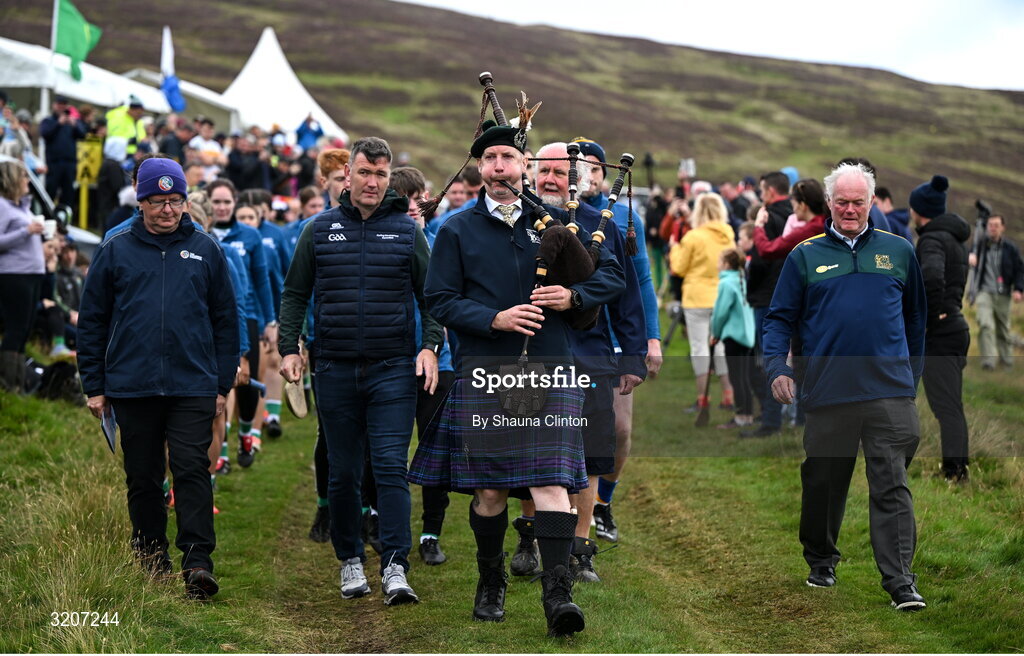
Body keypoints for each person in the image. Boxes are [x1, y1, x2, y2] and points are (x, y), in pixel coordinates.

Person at [407, 118, 624, 635]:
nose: (500, 166)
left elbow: (610, 273)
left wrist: (574, 296)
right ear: (480, 168)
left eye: (509, 157)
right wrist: (494, 318)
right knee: (491, 495)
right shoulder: (458, 228)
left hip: (549, 369)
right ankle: (490, 581)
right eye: (491, 159)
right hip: (488, 372)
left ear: (524, 166)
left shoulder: (556, 223)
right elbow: (437, 299)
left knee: (553, 487)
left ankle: (558, 598)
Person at [278, 137, 442, 607]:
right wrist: (290, 348)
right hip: (333, 368)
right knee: (344, 472)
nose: (372, 182)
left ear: (391, 178)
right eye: (364, 173)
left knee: (391, 467)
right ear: (346, 175)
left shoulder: (408, 232)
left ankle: (395, 565)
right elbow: (294, 294)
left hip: (393, 368)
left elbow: (431, 298)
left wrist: (430, 346)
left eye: (381, 174)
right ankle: (350, 559)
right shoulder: (318, 229)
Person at [763, 162, 927, 611]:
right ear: (829, 204)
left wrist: (910, 376)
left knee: (891, 483)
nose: (850, 210)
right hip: (828, 392)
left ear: (872, 202)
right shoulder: (805, 255)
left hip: (889, 393)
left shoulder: (898, 251)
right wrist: (778, 367)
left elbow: (916, 318)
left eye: (858, 202)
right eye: (842, 202)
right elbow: (779, 319)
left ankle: (900, 581)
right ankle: (821, 558)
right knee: (824, 483)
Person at [77, 158, 239, 599]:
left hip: (193, 383)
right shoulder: (116, 248)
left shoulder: (206, 249)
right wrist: (94, 385)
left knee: (191, 467)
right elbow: (92, 320)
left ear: (185, 201)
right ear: (141, 202)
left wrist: (222, 384)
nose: (167, 210)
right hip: (132, 384)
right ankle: (151, 557)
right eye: (157, 201)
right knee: (143, 476)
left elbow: (226, 320)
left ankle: (197, 562)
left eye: (175, 201)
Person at [525, 140, 645, 582]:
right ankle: (532, 540)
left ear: (579, 177)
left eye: (564, 172)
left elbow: (626, 291)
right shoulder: (518, 224)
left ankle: (578, 549)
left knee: (591, 456)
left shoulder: (601, 223)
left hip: (591, 356)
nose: (554, 179)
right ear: (532, 173)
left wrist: (632, 356)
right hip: (532, 355)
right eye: (547, 171)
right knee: (533, 449)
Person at [572, 137, 662, 544]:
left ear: (604, 175)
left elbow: (640, 281)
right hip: (572, 342)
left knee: (620, 431)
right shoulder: (555, 212)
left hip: (615, 339)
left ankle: (603, 503)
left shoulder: (626, 219)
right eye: (578, 166)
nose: (584, 173)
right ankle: (566, 518)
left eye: (593, 167)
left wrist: (650, 340)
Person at [388, 165, 456, 565]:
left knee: (435, 449)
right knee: (388, 450)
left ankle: (431, 531)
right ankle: (383, 519)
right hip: (393, 359)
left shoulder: (444, 240)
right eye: (406, 199)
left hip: (440, 361)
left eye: (420, 197)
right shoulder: (386, 241)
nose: (415, 206)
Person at [908, 175, 972, 483]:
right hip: (956, 327)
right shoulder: (955, 239)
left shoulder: (932, 239)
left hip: (942, 334)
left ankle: (954, 473)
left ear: (920, 210)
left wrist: (927, 323)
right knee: (951, 407)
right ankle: (958, 469)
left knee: (946, 409)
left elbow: (932, 279)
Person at [669, 193, 736, 412]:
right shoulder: (728, 234)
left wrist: (674, 248)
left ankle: (702, 399)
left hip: (697, 297)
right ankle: (728, 395)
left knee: (700, 348)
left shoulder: (693, 237)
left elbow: (678, 268)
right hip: (722, 296)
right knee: (721, 348)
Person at [0, 159, 44, 391]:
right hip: (14, 274)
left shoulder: (22, 206)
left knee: (25, 327)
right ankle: (9, 384)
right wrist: (26, 231)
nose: (27, 181)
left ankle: (19, 381)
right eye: (23, 177)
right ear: (11, 180)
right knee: (16, 328)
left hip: (31, 274)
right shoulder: (2, 206)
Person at [968, 213, 1024, 370]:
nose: (992, 228)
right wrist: (970, 256)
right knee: (985, 324)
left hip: (1003, 293)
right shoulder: (980, 245)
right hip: (984, 292)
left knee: (1003, 329)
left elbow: (1020, 270)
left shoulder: (1010, 248)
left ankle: (1007, 363)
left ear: (1002, 228)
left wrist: (1019, 289)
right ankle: (988, 362)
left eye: (996, 225)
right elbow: (967, 255)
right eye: (990, 225)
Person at [710, 248, 756, 428]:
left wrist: (716, 333)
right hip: (747, 335)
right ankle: (748, 415)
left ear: (726, 264)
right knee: (744, 377)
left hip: (733, 337)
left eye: (720, 261)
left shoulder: (726, 284)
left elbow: (720, 313)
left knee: (736, 378)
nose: (717, 264)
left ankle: (740, 417)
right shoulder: (742, 279)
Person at [39, 96, 87, 209]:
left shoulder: (71, 122)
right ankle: (47, 216)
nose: (61, 107)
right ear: (54, 105)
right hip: (54, 163)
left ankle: (64, 217)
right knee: (50, 192)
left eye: (64, 104)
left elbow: (83, 135)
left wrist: (74, 124)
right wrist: (58, 124)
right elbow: (45, 134)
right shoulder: (48, 121)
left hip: (69, 164)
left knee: (68, 194)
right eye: (59, 104)